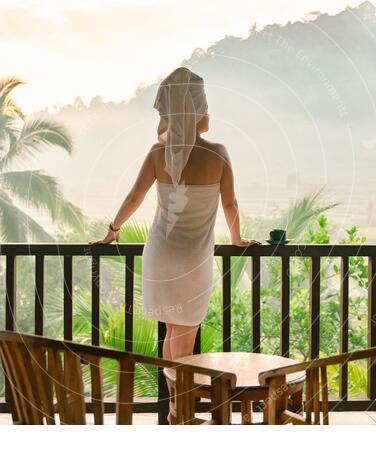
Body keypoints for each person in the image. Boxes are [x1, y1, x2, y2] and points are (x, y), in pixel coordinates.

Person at [90, 67, 259, 422]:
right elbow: (230, 205)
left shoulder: (157, 154)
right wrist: (237, 240)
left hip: (160, 256)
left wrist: (113, 229)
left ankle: (174, 408)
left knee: (171, 333)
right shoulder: (218, 153)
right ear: (199, 112)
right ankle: (178, 411)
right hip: (193, 259)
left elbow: (135, 197)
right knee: (185, 334)